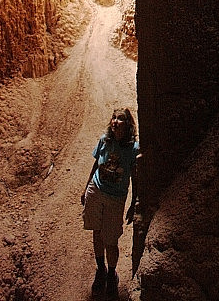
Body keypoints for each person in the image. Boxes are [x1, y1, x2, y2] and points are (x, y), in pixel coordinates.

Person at [81, 108, 139, 298]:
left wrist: (134, 202)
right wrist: (86, 188)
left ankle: (112, 274)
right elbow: (96, 164)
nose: (115, 121)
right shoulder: (104, 140)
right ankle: (101, 270)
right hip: (96, 190)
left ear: (128, 124)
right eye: (113, 118)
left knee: (111, 240)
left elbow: (136, 177)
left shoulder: (133, 149)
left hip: (115, 198)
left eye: (120, 119)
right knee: (97, 231)